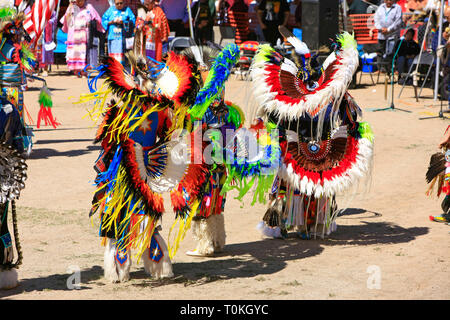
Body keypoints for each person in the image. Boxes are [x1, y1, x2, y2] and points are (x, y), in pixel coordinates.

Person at [61, 0, 105, 77]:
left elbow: (97, 19)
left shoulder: (89, 7)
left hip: (85, 36)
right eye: (77, 1)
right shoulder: (71, 8)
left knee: (85, 54)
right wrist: (70, 7)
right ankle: (76, 72)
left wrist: (91, 23)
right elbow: (66, 21)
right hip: (74, 36)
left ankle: (84, 72)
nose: (78, 2)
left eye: (80, 1)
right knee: (75, 53)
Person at [102, 0, 136, 65]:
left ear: (124, 2)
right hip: (112, 37)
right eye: (117, 4)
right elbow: (103, 20)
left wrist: (123, 22)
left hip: (123, 38)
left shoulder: (127, 10)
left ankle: (122, 70)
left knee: (122, 57)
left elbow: (133, 21)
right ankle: (114, 70)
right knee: (113, 57)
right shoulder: (110, 10)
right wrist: (111, 22)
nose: (119, 5)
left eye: (121, 3)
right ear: (114, 3)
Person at [374, 0, 403, 73]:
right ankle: (380, 68)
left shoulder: (397, 8)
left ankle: (391, 69)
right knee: (380, 51)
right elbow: (376, 20)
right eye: (387, 0)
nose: (388, 1)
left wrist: (389, 29)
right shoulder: (381, 7)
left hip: (392, 35)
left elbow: (398, 21)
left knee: (391, 52)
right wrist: (381, 28)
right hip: (381, 34)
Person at [39, 11, 57, 77]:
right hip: (38, 32)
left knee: (45, 51)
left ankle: (45, 69)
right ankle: (37, 69)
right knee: (37, 51)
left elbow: (54, 20)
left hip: (47, 35)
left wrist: (47, 22)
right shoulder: (39, 8)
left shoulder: (51, 10)